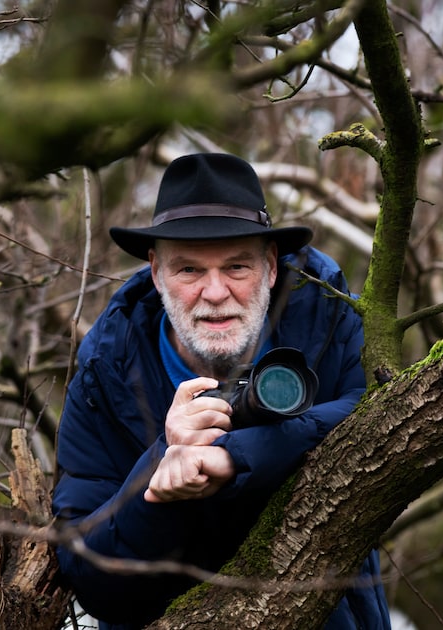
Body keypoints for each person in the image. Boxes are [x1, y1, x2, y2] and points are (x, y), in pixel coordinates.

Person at [51, 153, 391, 629]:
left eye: (236, 267)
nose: (214, 293)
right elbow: (93, 580)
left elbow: (381, 417)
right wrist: (161, 475)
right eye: (188, 270)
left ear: (271, 267)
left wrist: (236, 455)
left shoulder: (329, 317)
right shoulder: (106, 370)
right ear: (156, 272)